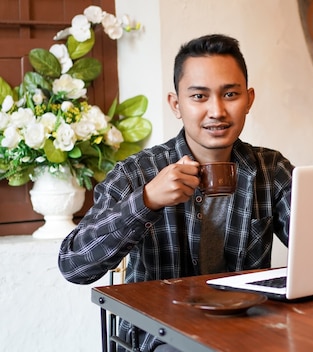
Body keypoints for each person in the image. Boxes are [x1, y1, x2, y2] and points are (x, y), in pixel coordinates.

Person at [58, 34, 294, 351]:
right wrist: (146, 201)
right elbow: (74, 265)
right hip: (159, 334)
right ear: (176, 104)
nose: (217, 110)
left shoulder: (271, 170)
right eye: (199, 96)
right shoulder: (136, 173)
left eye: (230, 94)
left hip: (249, 326)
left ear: (248, 99)